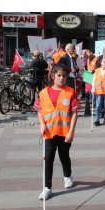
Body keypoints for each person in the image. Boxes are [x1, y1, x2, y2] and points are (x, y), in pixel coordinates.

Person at [33, 64, 79, 200]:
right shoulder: (43, 92)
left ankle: (67, 176)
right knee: (48, 159)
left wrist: (71, 131)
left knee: (64, 156)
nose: (62, 78)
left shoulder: (70, 92)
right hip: (49, 132)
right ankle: (47, 187)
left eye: (64, 76)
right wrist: (41, 124)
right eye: (59, 75)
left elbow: (74, 112)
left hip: (64, 132)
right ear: (53, 76)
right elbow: (39, 110)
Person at [92, 57, 105, 126]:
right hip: (99, 90)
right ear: (101, 62)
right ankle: (97, 120)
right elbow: (94, 80)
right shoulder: (97, 70)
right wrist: (93, 87)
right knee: (98, 106)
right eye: (104, 62)